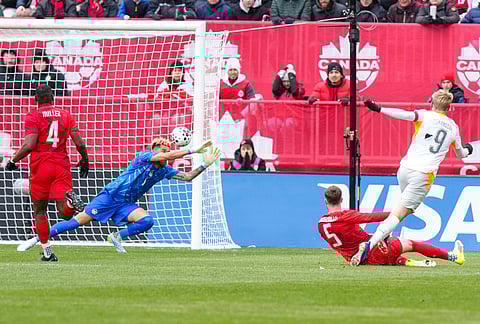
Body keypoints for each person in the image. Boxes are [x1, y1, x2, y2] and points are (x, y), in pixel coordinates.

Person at [18, 138, 220, 254]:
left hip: (126, 203)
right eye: (162, 149)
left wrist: (204, 164)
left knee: (147, 221)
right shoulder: (144, 157)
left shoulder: (163, 170)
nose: (165, 152)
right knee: (76, 222)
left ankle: (116, 236)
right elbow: (167, 157)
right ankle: (37, 239)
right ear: (155, 149)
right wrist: (193, 150)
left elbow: (187, 177)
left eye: (167, 149)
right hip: (109, 197)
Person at [350, 90, 473, 266]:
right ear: (449, 107)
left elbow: (402, 115)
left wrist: (378, 109)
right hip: (423, 175)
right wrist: (469, 149)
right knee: (398, 214)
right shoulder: (453, 127)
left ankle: (384, 239)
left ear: (432, 104)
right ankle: (369, 245)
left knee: (399, 209)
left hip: (405, 169)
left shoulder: (424, 116)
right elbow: (461, 154)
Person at [5, 85, 89, 262]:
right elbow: (80, 143)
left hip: (40, 166)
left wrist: (13, 161)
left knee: (40, 211)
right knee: (65, 213)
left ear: (35, 100)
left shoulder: (33, 116)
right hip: (61, 165)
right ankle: (70, 200)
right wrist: (85, 159)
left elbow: (29, 145)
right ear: (53, 99)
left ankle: (48, 253)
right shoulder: (66, 115)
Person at [319, 185, 465, 267]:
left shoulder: (321, 224)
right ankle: (454, 256)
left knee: (387, 244)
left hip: (354, 257)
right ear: (342, 199)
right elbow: (369, 217)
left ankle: (409, 263)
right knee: (409, 244)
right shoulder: (346, 216)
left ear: (326, 201)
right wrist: (398, 213)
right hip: (372, 252)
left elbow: (342, 240)